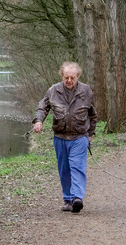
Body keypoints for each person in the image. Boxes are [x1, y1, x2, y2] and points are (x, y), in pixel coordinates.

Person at [33, 61, 98, 213]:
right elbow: (43, 107)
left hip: (79, 136)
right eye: (66, 77)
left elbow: (93, 114)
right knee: (64, 169)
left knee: (77, 166)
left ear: (78, 77)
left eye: (72, 78)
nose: (69, 81)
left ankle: (77, 198)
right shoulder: (53, 90)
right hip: (60, 137)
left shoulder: (86, 91)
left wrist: (90, 134)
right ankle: (68, 199)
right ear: (62, 76)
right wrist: (38, 121)